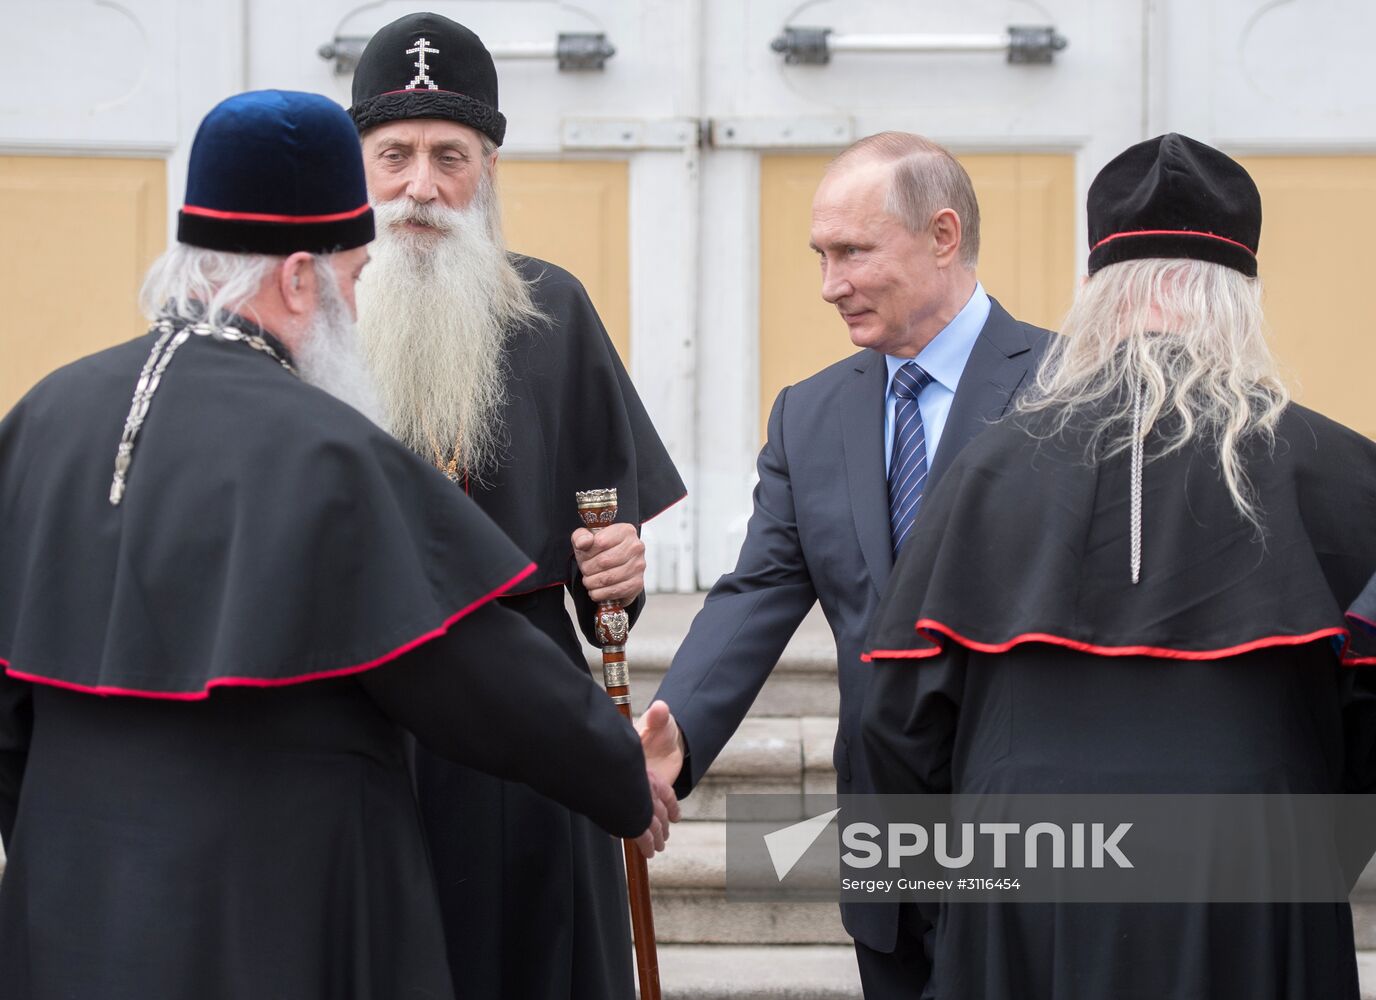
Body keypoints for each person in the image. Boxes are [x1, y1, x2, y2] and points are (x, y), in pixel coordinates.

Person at [0, 90, 674, 1000]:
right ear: (298, 279)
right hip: (275, 911)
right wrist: (624, 774)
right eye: (355, 277)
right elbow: (470, 671)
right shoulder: (323, 447)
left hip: (73, 907)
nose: (359, 304)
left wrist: (45, 852)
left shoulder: (46, 413)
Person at [861, 133, 1376, 999]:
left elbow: (899, 725)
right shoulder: (1340, 470)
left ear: (1099, 293)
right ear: (1238, 297)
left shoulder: (985, 471)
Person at [646, 132, 1052, 996]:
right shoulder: (810, 413)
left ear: (943, 236)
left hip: (1034, 833)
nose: (830, 284)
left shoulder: (1067, 387)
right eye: (821, 256)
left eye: (853, 252)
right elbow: (759, 589)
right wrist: (675, 729)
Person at [346, 14, 686, 1000]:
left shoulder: (552, 308)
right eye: (393, 154)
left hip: (525, 727)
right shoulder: (314, 315)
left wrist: (617, 571)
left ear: (486, 167)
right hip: (363, 712)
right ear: (358, 163)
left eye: (448, 156)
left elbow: (602, 573)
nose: (419, 183)